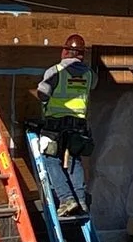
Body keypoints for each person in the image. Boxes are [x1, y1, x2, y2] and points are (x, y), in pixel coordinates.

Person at [36, 34, 95, 213]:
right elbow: (92, 86)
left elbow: (42, 93)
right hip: (78, 125)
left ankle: (66, 199)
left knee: (50, 159)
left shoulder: (55, 71)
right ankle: (81, 200)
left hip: (56, 125)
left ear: (65, 51)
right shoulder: (90, 74)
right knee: (75, 160)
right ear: (81, 55)